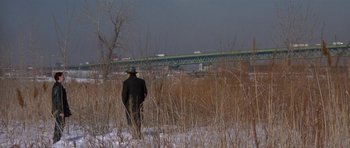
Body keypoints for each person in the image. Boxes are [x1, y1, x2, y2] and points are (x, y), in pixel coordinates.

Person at [122, 67, 147, 139]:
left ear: (129, 74)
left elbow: (124, 95)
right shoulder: (142, 81)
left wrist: (125, 103)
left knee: (131, 119)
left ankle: (134, 134)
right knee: (138, 117)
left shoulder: (126, 82)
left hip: (129, 103)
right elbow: (145, 93)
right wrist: (142, 100)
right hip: (140, 103)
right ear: (135, 73)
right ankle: (138, 133)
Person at [52, 72, 72, 144]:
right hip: (59, 110)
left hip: (59, 110)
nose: (64, 77)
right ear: (59, 77)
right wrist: (60, 111)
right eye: (63, 76)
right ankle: (56, 142)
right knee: (59, 125)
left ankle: (57, 141)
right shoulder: (57, 87)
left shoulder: (59, 86)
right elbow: (57, 100)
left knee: (61, 125)